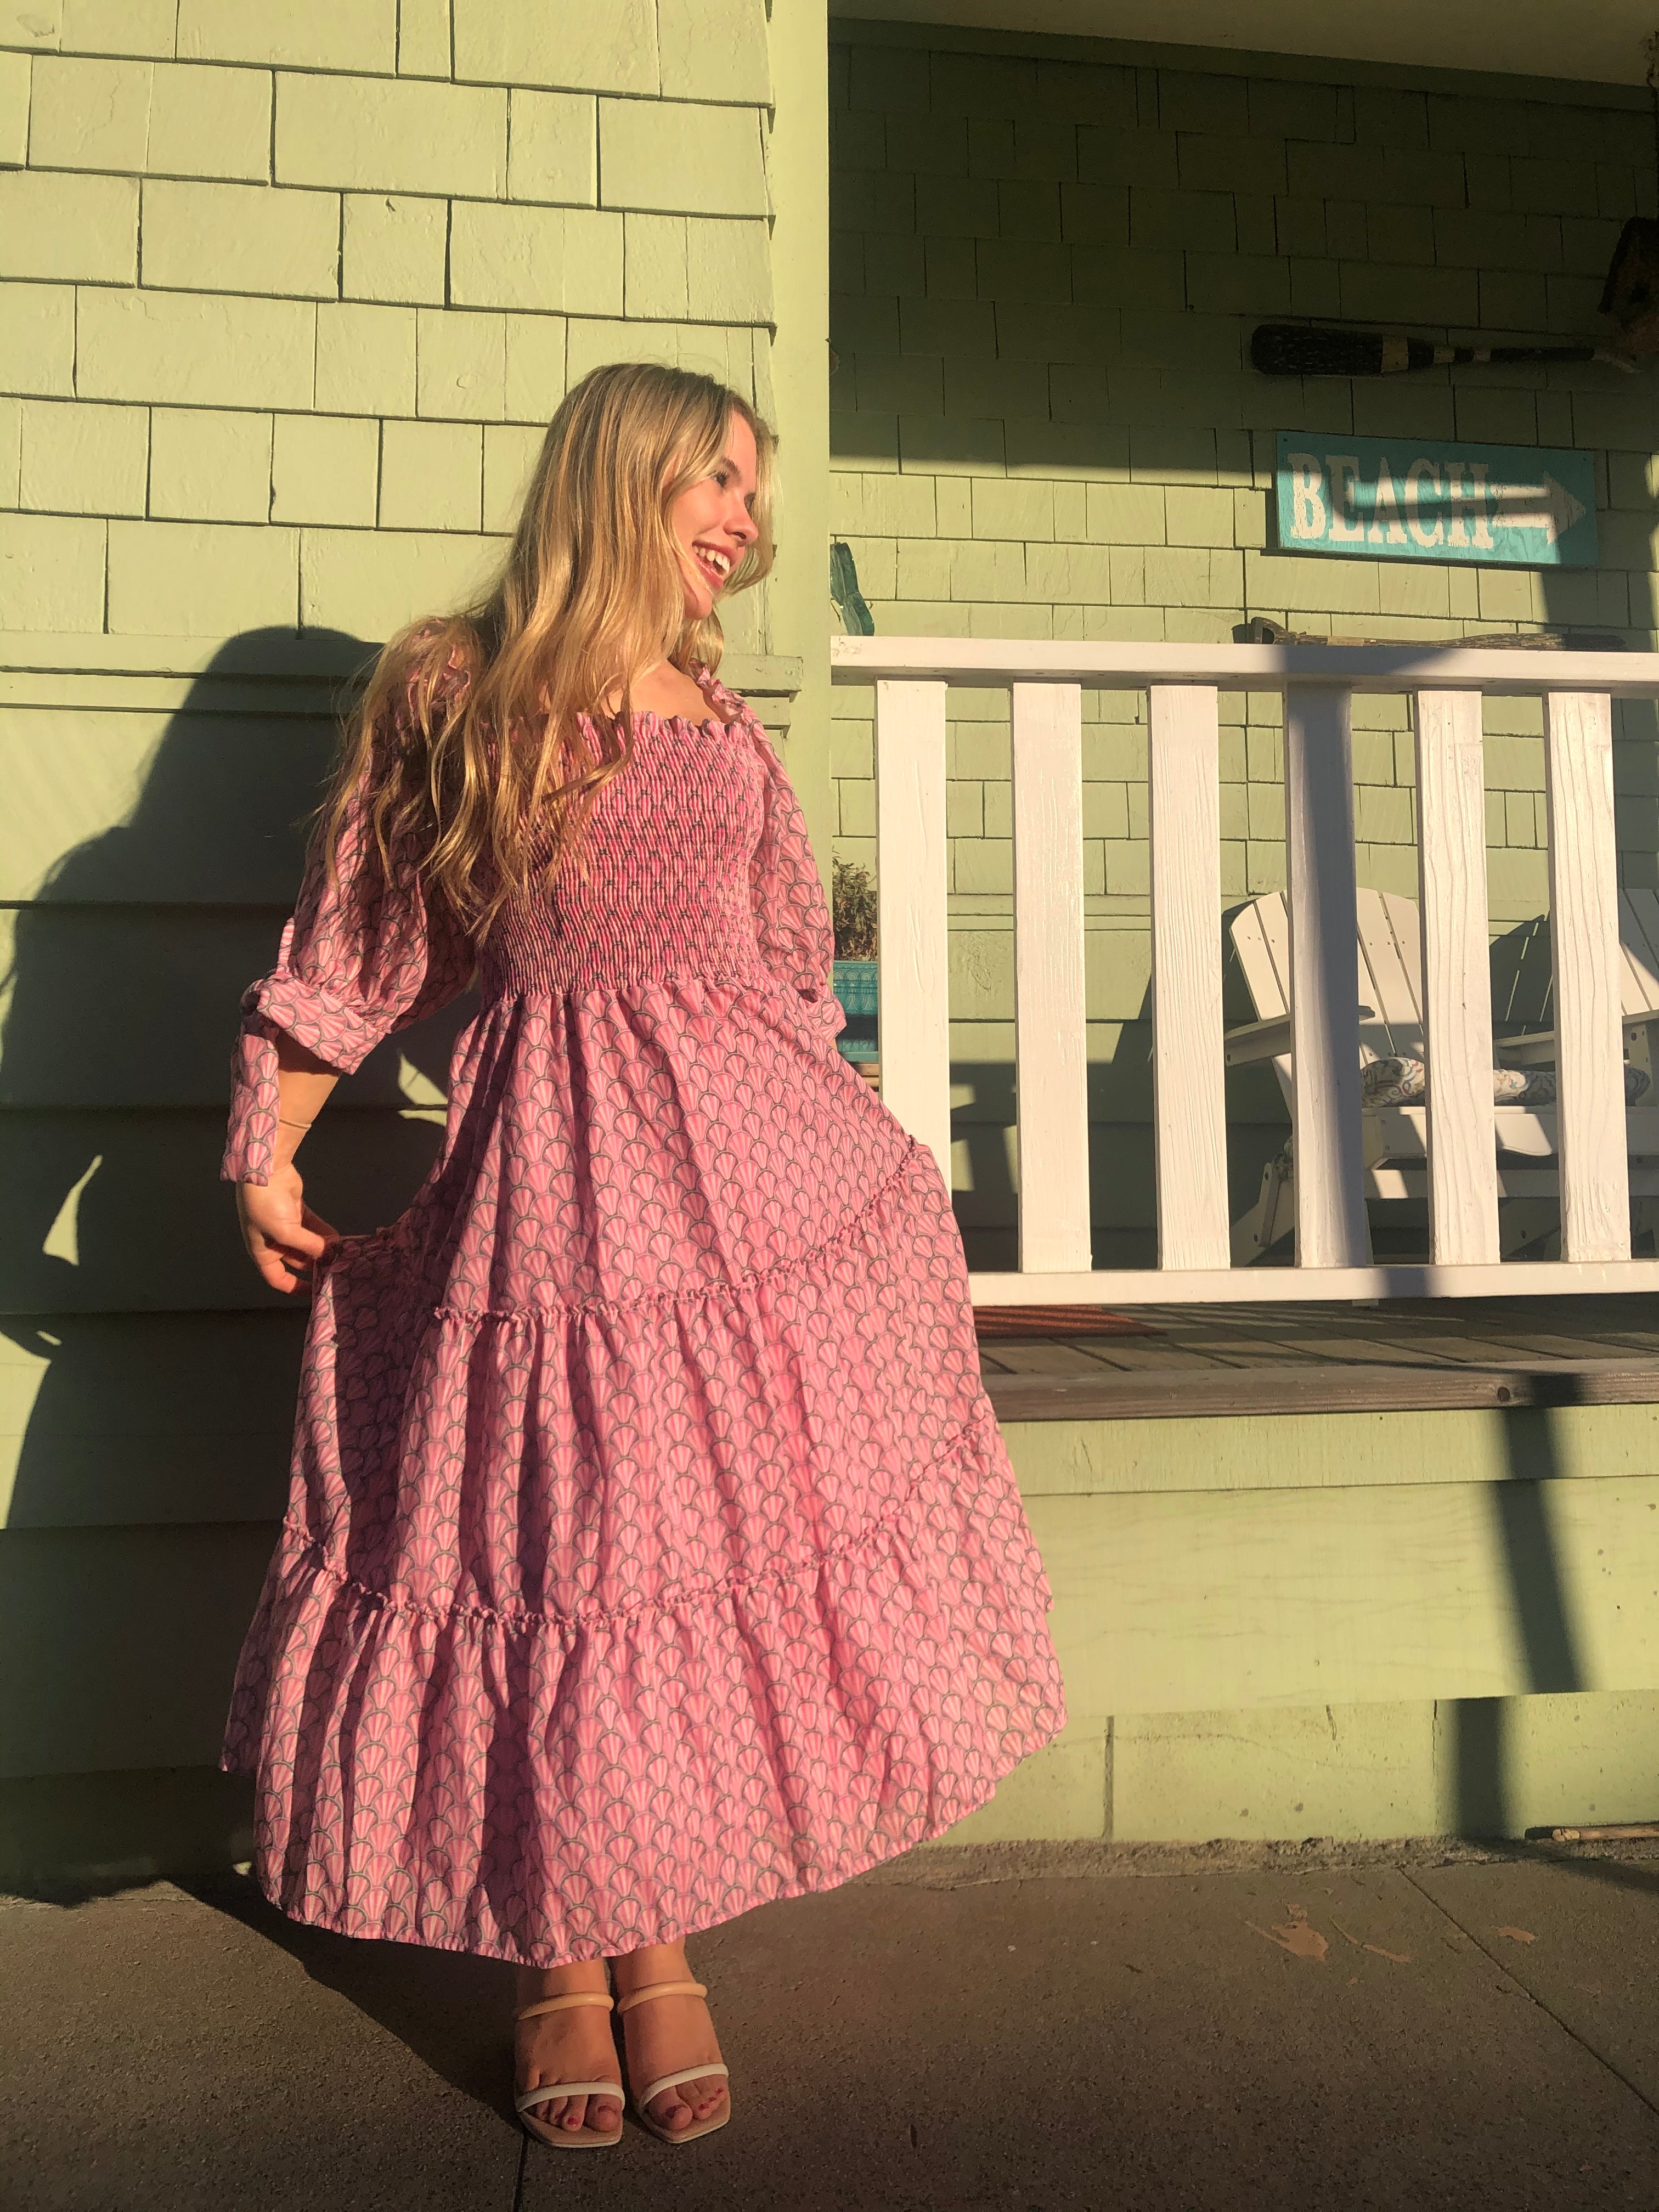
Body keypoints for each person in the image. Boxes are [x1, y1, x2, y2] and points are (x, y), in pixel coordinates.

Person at [223, 362, 1065, 2151]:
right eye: (720, 484)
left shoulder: (721, 710)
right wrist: (269, 1129)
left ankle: (655, 1942)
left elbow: (777, 973)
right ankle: (565, 1959)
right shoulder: (461, 687)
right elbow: (369, 937)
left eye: (754, 494)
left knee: (687, 1552)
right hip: (559, 1197)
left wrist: (843, 1159)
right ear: (622, 476)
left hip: (745, 1198)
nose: (747, 520)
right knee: (571, 1550)